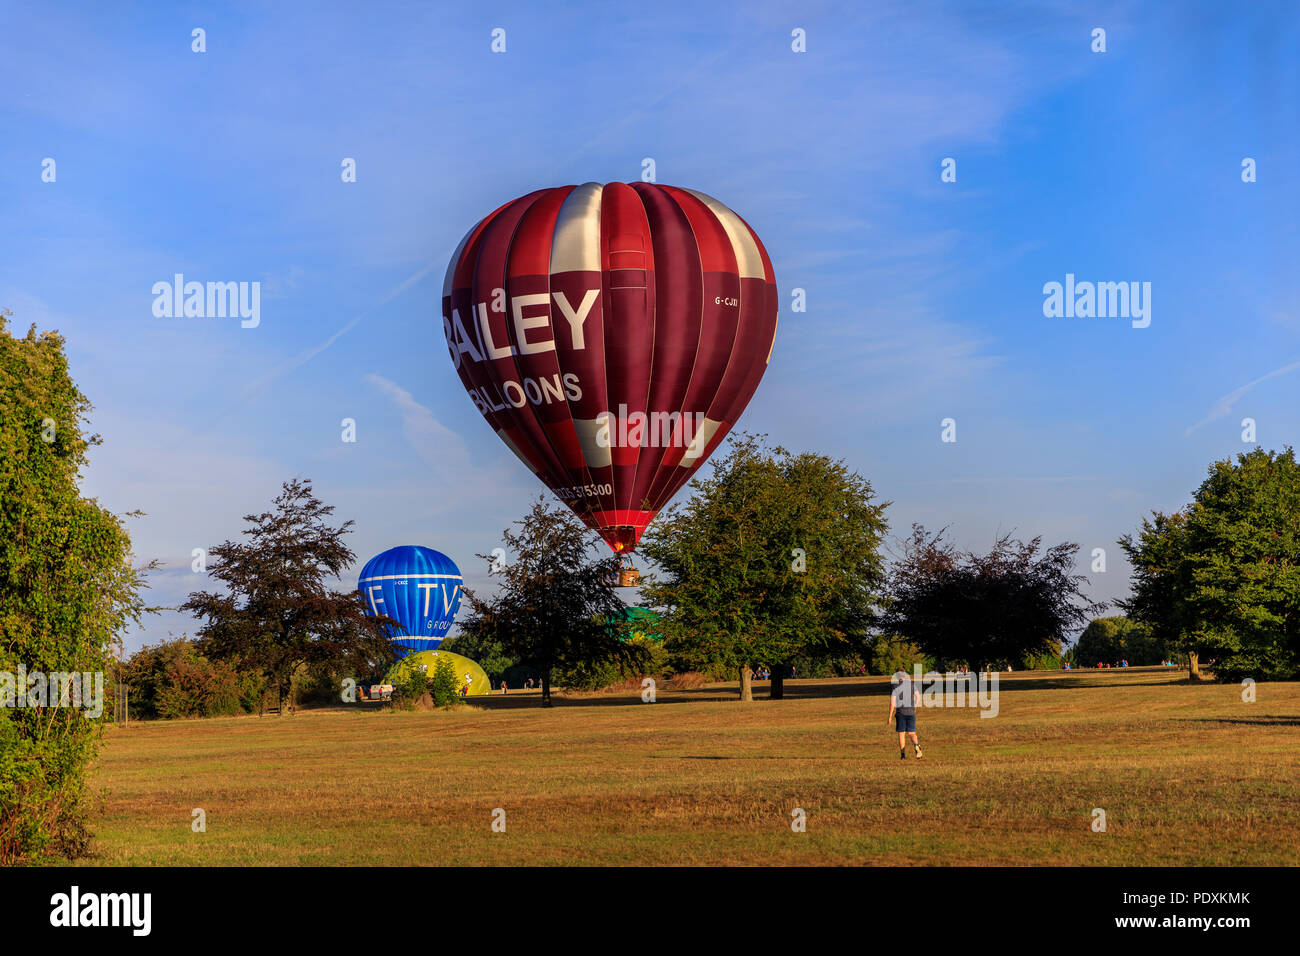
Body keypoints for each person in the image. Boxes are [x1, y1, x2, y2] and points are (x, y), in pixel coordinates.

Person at [887, 669, 922, 760]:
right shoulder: (911, 684)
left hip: (900, 713)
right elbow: (918, 696)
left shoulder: (895, 686)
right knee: (911, 733)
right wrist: (915, 706)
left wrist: (890, 716)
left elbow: (893, 702)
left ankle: (903, 755)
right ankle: (916, 745)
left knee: (901, 734)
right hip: (911, 712)